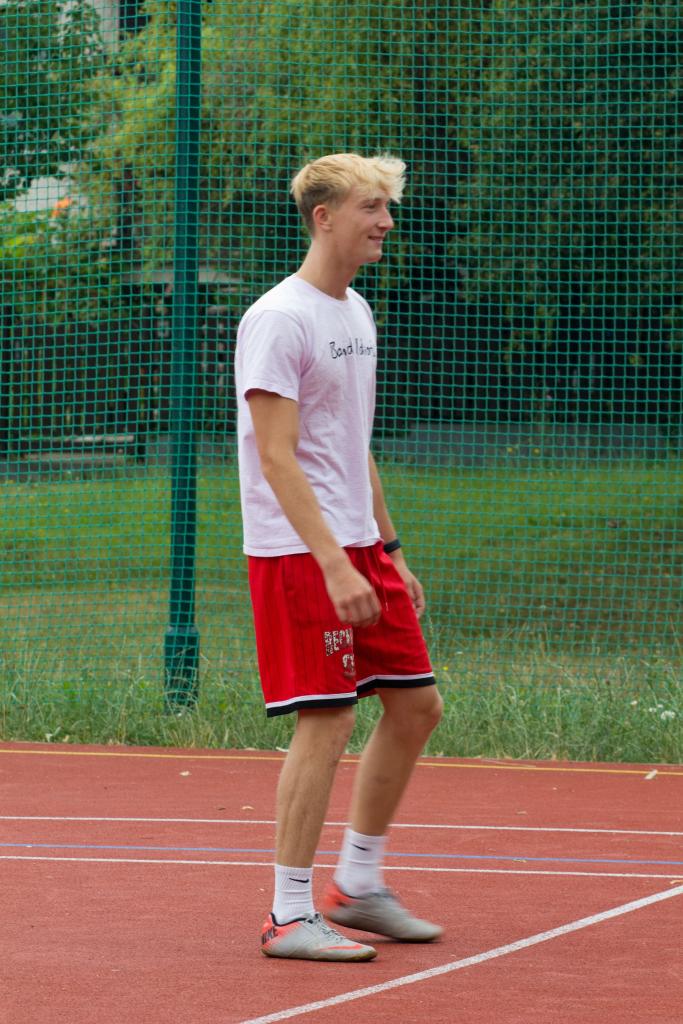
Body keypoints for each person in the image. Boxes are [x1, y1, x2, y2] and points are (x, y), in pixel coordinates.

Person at [235, 153, 444, 962]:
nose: (385, 221)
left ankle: (356, 884)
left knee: (416, 707)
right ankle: (289, 914)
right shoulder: (278, 319)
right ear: (323, 216)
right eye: (370, 207)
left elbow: (351, 444)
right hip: (299, 550)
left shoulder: (355, 310)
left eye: (387, 207)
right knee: (327, 717)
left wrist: (387, 547)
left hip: (358, 546)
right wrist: (330, 560)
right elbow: (276, 456)